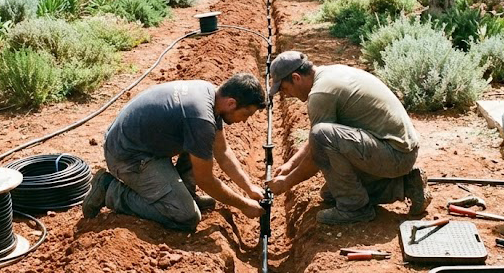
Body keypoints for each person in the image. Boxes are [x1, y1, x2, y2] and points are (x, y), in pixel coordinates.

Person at [82, 74, 267, 232]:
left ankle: (184, 193)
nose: (244, 121)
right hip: (128, 157)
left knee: (202, 144)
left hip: (141, 143)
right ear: (231, 103)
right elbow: (206, 180)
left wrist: (249, 188)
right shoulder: (201, 117)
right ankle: (109, 190)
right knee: (186, 217)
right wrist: (243, 205)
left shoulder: (210, 94)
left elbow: (223, 151)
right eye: (246, 114)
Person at [266, 51, 426, 225]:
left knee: (322, 136)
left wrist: (287, 183)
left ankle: (356, 209)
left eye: (284, 88)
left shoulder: (321, 94)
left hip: (394, 155)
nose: (286, 95)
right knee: (330, 194)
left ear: (296, 78)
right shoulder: (330, 73)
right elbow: (317, 139)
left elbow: (318, 147)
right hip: (399, 151)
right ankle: (406, 184)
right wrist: (291, 164)